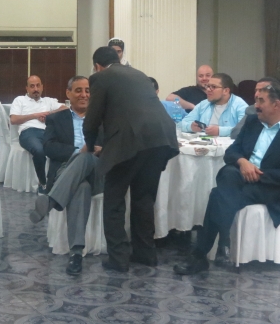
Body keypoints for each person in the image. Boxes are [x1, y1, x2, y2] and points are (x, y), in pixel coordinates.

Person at [83, 47, 179, 272]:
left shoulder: (100, 77)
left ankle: (118, 259)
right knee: (144, 199)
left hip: (128, 142)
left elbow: (92, 118)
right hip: (162, 139)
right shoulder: (139, 74)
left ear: (97, 66)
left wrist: (90, 145)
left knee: (114, 201)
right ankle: (146, 254)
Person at [174, 79, 280, 275]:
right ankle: (222, 243)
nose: (255, 106)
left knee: (218, 194)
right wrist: (243, 162)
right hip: (240, 179)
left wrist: (258, 175)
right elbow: (231, 152)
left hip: (269, 187)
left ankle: (202, 255)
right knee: (229, 174)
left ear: (276, 105)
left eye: (261, 101)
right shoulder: (253, 122)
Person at [29, 76, 103, 276]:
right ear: (68, 93)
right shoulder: (56, 118)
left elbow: (113, 145)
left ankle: (51, 200)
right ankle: (76, 253)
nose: (84, 95)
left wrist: (94, 151)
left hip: (96, 170)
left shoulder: (102, 117)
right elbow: (48, 147)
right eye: (78, 90)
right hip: (66, 171)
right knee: (81, 187)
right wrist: (77, 152)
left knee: (86, 157)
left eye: (87, 90)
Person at [9, 76, 66, 193]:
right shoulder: (20, 100)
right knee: (39, 150)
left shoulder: (48, 101)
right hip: (28, 132)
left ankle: (56, 181)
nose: (36, 89)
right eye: (32, 86)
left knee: (63, 149)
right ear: (27, 88)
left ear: (42, 87)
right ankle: (43, 183)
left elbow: (65, 109)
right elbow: (13, 120)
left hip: (47, 132)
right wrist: (35, 115)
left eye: (38, 85)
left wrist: (48, 114)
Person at [181, 73, 247, 137]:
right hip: (204, 143)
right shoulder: (203, 104)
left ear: (226, 91)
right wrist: (190, 127)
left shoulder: (240, 106)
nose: (208, 90)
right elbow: (181, 124)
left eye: (213, 87)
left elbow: (245, 130)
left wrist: (220, 131)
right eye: (208, 86)